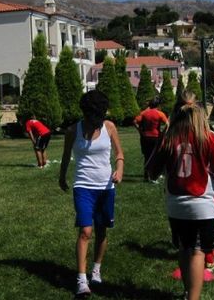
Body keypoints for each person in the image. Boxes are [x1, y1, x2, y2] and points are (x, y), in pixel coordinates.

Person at [147, 90, 214, 300]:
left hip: (175, 203)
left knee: (184, 249)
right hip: (201, 204)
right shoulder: (208, 136)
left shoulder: (168, 136)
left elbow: (151, 171)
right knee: (198, 252)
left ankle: (187, 292)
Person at [59, 90, 124, 297]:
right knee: (85, 231)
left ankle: (96, 269)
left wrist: (119, 170)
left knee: (102, 230)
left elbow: (119, 154)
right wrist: (62, 177)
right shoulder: (73, 130)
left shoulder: (109, 127)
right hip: (83, 185)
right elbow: (65, 156)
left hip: (106, 186)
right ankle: (81, 280)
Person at [133, 97, 168, 182]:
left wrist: (140, 131)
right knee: (155, 156)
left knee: (147, 156)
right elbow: (167, 124)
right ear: (158, 105)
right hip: (155, 137)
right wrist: (162, 133)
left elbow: (134, 121)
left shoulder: (144, 113)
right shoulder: (160, 114)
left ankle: (147, 175)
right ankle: (153, 175)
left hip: (145, 137)